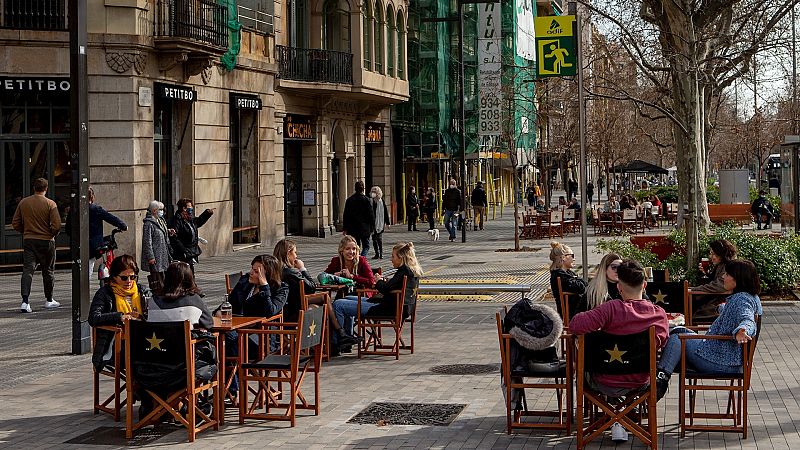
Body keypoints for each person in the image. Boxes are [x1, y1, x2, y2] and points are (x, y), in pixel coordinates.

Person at [570, 259, 669, 442]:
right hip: (640, 380)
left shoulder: (610, 309)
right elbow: (661, 345)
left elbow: (575, 324)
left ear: (619, 287)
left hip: (603, 380)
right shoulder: (658, 314)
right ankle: (622, 419)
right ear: (645, 285)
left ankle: (616, 420)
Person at [655, 260, 763, 399]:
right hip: (728, 358)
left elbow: (747, 319)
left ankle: (660, 380)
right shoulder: (751, 297)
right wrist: (723, 309)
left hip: (720, 361)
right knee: (679, 331)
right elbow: (739, 312)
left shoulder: (742, 300)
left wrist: (742, 330)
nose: (723, 277)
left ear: (738, 279)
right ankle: (663, 372)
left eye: (727, 274)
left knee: (676, 338)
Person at [332, 241, 422, 350]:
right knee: (346, 298)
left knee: (338, 304)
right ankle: (347, 337)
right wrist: (385, 281)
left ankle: (338, 342)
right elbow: (392, 286)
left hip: (386, 309)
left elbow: (385, 289)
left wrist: (378, 281)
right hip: (400, 308)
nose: (391, 259)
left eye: (393, 256)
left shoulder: (403, 272)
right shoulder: (412, 271)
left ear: (401, 258)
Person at [88, 254, 150, 370]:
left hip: (144, 341)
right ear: (114, 277)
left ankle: (143, 386)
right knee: (142, 362)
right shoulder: (105, 293)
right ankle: (138, 386)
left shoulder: (142, 291)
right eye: (124, 278)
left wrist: (141, 317)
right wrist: (120, 317)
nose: (129, 281)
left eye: (132, 277)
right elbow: (93, 318)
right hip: (116, 347)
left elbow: (154, 313)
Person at [12, 177, 61, 313]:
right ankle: (49, 299)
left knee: (28, 270)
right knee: (48, 271)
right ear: (46, 189)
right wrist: (51, 233)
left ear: (34, 188)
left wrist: (26, 231)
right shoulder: (50, 204)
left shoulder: (24, 203)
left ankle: (25, 301)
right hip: (47, 241)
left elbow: (15, 223)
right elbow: (56, 225)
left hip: (29, 240)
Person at [325, 236, 376, 352]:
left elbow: (371, 281)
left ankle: (341, 341)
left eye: (354, 249)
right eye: (348, 249)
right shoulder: (336, 261)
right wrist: (334, 276)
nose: (351, 252)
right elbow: (323, 277)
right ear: (341, 250)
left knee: (341, 306)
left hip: (361, 295)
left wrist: (353, 276)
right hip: (342, 294)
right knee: (332, 308)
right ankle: (342, 340)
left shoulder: (361, 261)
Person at [228, 254, 289, 319]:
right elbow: (230, 301)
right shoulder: (245, 281)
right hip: (235, 322)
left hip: (258, 327)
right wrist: (219, 311)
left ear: (268, 275)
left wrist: (264, 286)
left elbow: (270, 312)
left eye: (256, 272)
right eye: (252, 268)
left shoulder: (280, 288)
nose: (251, 272)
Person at [88, 187, 128, 280]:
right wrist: (123, 226)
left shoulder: (74, 209)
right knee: (89, 264)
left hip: (78, 244)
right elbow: (110, 218)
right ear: (92, 197)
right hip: (93, 244)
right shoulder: (95, 209)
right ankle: (85, 287)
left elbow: (68, 227)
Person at [692, 239, 737, 320]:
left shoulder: (729, 266)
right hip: (717, 302)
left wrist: (693, 290)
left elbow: (718, 286)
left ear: (722, 254)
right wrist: (706, 273)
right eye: (711, 253)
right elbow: (714, 282)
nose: (711, 257)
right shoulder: (721, 265)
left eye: (714, 254)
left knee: (690, 308)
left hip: (721, 306)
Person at [274, 239, 318, 323]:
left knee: (318, 303)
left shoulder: (273, 270)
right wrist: (302, 268)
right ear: (288, 253)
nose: (296, 256)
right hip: (293, 309)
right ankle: (336, 331)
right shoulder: (291, 272)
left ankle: (338, 331)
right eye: (295, 252)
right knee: (325, 300)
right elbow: (311, 288)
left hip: (280, 309)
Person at [169, 197, 214, 273]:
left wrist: (207, 214)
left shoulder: (189, 218)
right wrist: (184, 251)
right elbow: (175, 238)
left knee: (190, 272)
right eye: (190, 207)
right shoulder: (177, 220)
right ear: (184, 208)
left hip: (190, 251)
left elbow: (198, 222)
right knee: (185, 273)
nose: (191, 209)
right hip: (183, 252)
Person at [549, 241, 588, 319]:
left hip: (576, 310)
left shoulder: (568, 273)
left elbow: (584, 283)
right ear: (563, 257)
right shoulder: (559, 275)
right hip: (572, 313)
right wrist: (578, 279)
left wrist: (578, 280)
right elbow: (581, 287)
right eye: (572, 256)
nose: (574, 259)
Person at [141, 200, 173, 291]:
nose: (162, 211)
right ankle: (159, 294)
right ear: (154, 210)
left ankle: (163, 292)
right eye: (161, 209)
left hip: (163, 254)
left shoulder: (160, 221)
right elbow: (147, 241)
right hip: (156, 255)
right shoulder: (148, 223)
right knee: (157, 278)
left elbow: (161, 232)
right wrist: (151, 257)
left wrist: (168, 231)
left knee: (163, 276)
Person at [342, 180, 375, 256]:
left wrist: (344, 228)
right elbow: (371, 215)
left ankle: (357, 258)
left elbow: (346, 215)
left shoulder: (350, 200)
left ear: (355, 188)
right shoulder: (366, 200)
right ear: (363, 189)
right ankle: (361, 258)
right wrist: (372, 227)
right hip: (364, 228)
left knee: (356, 246)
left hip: (352, 228)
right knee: (366, 246)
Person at [370, 186, 390, 259]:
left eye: (374, 192)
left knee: (379, 239)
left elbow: (385, 212)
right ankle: (376, 253)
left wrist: (388, 223)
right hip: (372, 223)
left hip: (380, 223)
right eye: (372, 192)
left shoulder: (381, 201)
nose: (373, 193)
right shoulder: (371, 201)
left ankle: (381, 253)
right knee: (374, 239)